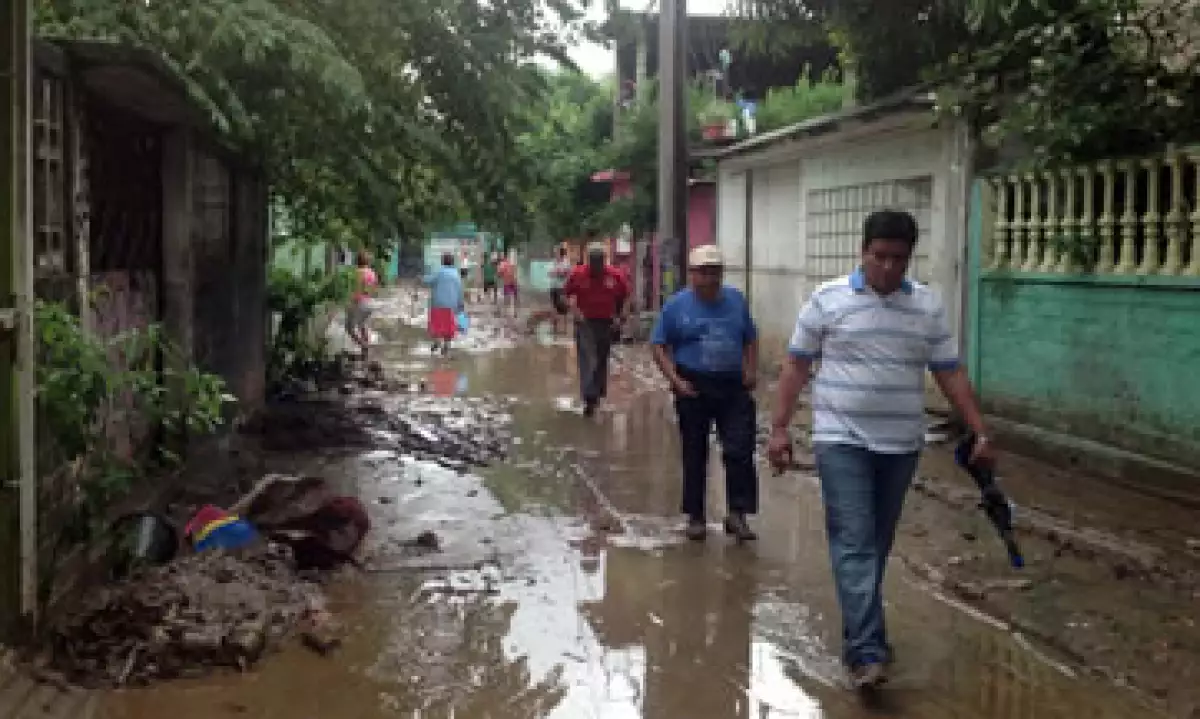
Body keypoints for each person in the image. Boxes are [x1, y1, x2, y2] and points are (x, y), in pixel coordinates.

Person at [766, 209, 994, 691]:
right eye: (879, 256)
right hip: (839, 440)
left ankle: (862, 637)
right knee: (854, 541)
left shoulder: (927, 307)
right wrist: (780, 428)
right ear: (863, 251)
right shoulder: (828, 300)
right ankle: (867, 653)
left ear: (911, 257)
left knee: (875, 545)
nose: (888, 268)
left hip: (901, 445)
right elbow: (795, 366)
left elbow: (949, 371)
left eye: (899, 258)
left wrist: (979, 430)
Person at [650, 245, 759, 542]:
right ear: (692, 274)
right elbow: (658, 345)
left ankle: (738, 513)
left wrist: (751, 369)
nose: (710, 279)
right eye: (704, 272)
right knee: (694, 451)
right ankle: (695, 516)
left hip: (733, 384)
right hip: (693, 384)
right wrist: (675, 380)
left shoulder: (736, 301)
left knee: (740, 449)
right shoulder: (676, 306)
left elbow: (751, 337)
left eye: (715, 272)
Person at [562, 243, 629, 417]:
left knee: (601, 359)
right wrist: (575, 311)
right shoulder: (578, 274)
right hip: (585, 323)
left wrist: (621, 318)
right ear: (588, 260)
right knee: (587, 359)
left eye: (599, 261)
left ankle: (597, 394)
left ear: (604, 261)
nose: (596, 266)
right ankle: (589, 397)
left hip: (607, 324)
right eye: (593, 261)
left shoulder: (615, 276)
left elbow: (626, 297)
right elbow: (567, 294)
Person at [423, 252, 465, 356]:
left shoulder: (439, 272)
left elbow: (428, 281)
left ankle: (437, 340)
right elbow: (460, 291)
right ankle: (446, 345)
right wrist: (460, 305)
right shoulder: (457, 275)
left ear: (442, 262)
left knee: (436, 324)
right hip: (451, 306)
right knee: (449, 326)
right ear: (452, 262)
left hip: (437, 304)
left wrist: (422, 278)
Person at [526, 245, 573, 335]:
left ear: (561, 253)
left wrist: (557, 272)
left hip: (562, 288)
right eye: (555, 252)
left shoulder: (566, 262)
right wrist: (555, 272)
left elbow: (565, 273)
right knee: (554, 307)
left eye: (557, 252)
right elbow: (550, 273)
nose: (555, 254)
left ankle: (564, 329)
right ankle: (555, 329)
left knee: (563, 308)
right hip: (554, 287)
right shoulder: (554, 262)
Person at [346, 250, 378, 360]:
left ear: (357, 260)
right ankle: (365, 355)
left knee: (349, 328)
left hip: (360, 302)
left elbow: (357, 289)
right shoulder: (372, 272)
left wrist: (351, 301)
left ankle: (365, 346)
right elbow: (372, 290)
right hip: (370, 303)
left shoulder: (357, 272)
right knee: (362, 325)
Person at [497, 253, 519, 317]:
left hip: (508, 282)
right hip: (514, 281)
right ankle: (515, 312)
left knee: (507, 297)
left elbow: (499, 274)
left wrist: (500, 274)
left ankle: (507, 312)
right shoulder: (512, 263)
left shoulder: (502, 264)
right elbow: (515, 271)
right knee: (515, 297)